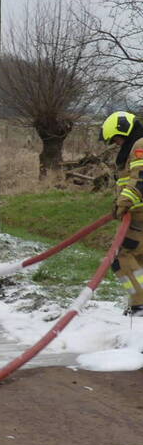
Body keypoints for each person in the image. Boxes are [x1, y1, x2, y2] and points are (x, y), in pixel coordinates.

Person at [99, 111, 143, 316]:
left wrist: (125, 200)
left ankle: (139, 304)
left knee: (120, 257)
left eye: (116, 139)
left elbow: (141, 179)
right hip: (135, 216)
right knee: (139, 258)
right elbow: (129, 181)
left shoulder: (140, 145)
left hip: (139, 218)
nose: (117, 144)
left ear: (125, 131)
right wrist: (119, 202)